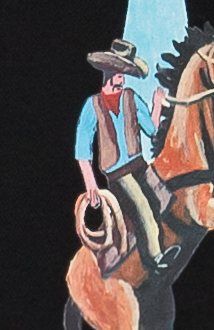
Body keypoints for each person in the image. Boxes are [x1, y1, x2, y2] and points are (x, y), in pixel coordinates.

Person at [74, 42, 173, 266]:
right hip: (118, 174)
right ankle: (156, 257)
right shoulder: (92, 105)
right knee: (143, 206)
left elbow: (152, 130)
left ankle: (154, 244)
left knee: (164, 199)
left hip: (139, 164)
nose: (123, 77)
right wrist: (90, 183)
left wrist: (157, 105)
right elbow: (82, 148)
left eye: (125, 72)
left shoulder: (131, 97)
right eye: (120, 72)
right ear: (109, 72)